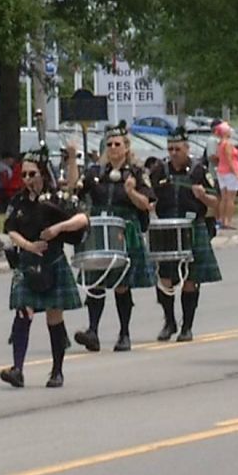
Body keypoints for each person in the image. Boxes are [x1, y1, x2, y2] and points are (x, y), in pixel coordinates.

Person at [0, 151, 89, 388]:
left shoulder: (56, 198)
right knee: (23, 312)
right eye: (24, 174)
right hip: (27, 263)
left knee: (54, 316)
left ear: (42, 174)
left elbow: (82, 219)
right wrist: (28, 245)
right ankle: (17, 369)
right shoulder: (18, 201)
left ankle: (57, 371)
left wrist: (58, 228)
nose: (27, 179)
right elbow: (10, 229)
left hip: (53, 262)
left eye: (32, 174)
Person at [65, 120, 157, 352]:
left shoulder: (136, 173)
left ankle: (124, 334)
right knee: (96, 281)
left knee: (121, 285)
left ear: (126, 147)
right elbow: (74, 188)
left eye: (117, 144)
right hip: (98, 228)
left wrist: (131, 191)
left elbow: (147, 204)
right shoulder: (96, 172)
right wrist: (73, 157)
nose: (113, 148)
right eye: (109, 144)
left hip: (125, 230)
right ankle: (92, 332)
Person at [149, 127, 222, 342]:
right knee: (164, 279)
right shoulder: (159, 170)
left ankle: (187, 326)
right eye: (170, 148)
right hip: (166, 228)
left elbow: (216, 202)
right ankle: (169, 321)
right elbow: (149, 196)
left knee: (191, 279)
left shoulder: (199, 171)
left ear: (187, 148)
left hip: (192, 226)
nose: (173, 153)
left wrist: (203, 197)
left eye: (177, 148)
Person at [213, 121, 238, 229]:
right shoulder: (228, 144)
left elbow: (236, 154)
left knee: (224, 197)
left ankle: (221, 220)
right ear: (226, 132)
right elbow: (230, 160)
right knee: (231, 199)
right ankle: (228, 221)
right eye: (229, 130)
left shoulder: (220, 144)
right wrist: (237, 174)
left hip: (221, 171)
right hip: (230, 173)